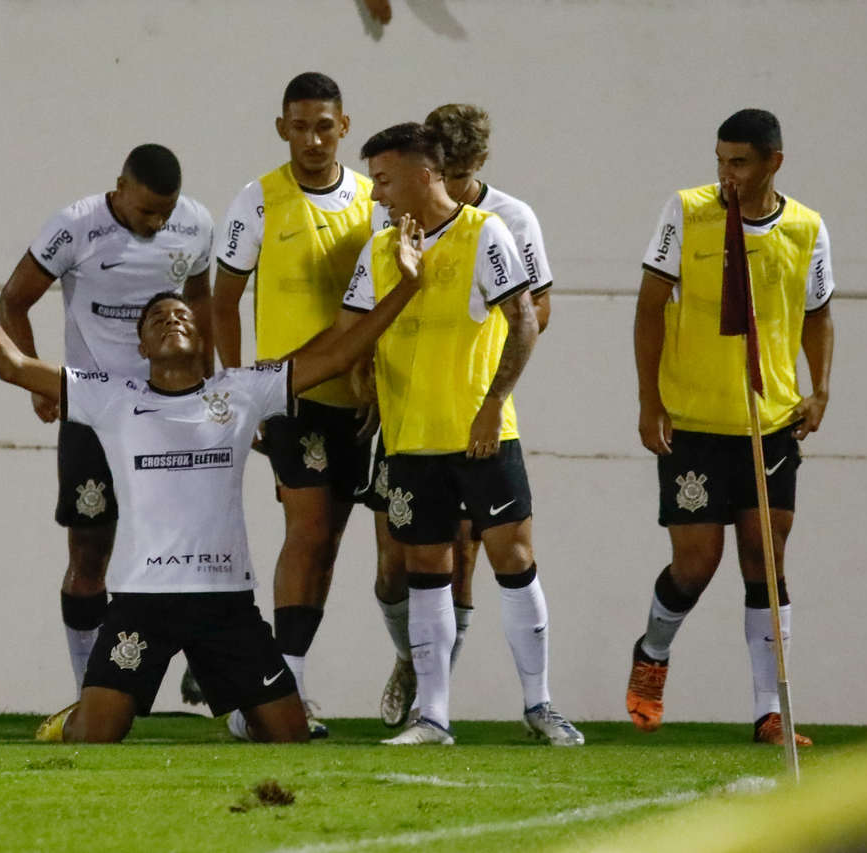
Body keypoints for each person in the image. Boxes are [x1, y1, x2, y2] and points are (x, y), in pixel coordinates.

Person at [0, 214, 428, 743]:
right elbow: (12, 365)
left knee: (289, 737)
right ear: (141, 348)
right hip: (141, 600)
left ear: (203, 339)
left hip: (224, 600)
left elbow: (338, 355)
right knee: (95, 738)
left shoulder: (242, 391)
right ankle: (73, 718)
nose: (173, 321)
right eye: (158, 321)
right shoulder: (110, 397)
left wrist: (408, 286)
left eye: (184, 317)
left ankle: (243, 711)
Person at [334, 122, 584, 746]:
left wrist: (493, 403)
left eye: (385, 180)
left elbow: (524, 320)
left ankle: (540, 705)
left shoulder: (485, 233)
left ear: (425, 175)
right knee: (426, 567)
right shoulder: (380, 248)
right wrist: (362, 372)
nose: (376, 194)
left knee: (513, 559)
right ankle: (434, 717)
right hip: (410, 438)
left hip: (480, 433)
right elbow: (353, 329)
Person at [627, 108, 833, 747]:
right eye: (720, 160)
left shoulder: (806, 227)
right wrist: (648, 401)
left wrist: (818, 387)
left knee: (764, 558)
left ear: (774, 162)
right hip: (693, 421)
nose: (727, 174)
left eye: (740, 162)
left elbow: (818, 314)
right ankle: (653, 650)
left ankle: (771, 712)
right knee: (696, 563)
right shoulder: (687, 212)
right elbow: (650, 306)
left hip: (769, 422)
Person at [0, 144, 213, 727]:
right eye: (146, 212)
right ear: (119, 188)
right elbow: (13, 301)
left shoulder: (196, 223)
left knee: (189, 545)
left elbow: (200, 302)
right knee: (91, 551)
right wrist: (43, 385)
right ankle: (88, 687)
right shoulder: (74, 226)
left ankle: (213, 659)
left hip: (170, 411)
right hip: (94, 411)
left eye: (164, 213)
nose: (157, 224)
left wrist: (209, 385)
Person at [210, 71, 377, 737]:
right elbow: (223, 298)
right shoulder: (257, 201)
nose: (312, 138)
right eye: (300, 125)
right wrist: (240, 388)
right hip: (293, 397)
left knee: (331, 540)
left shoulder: (372, 200)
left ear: (345, 125)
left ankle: (290, 683)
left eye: (325, 125)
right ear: (281, 127)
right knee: (305, 533)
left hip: (358, 399)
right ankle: (278, 695)